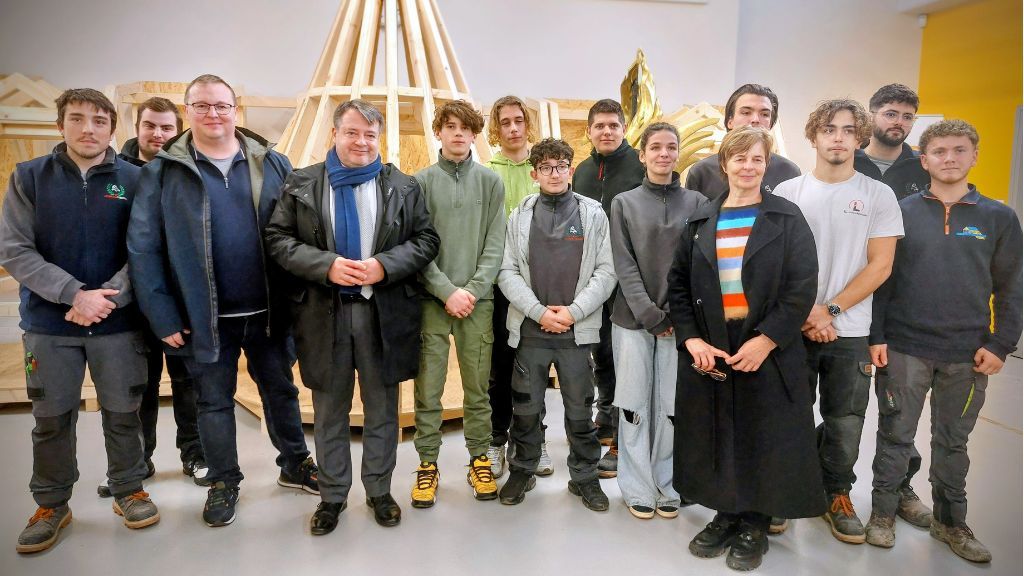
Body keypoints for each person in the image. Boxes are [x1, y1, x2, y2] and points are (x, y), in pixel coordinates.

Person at [128, 74, 316, 528]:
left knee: (282, 392)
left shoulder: (272, 163)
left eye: (221, 106)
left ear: (236, 111)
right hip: (202, 315)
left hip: (268, 310)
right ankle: (223, 481)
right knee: (212, 400)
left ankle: (295, 464)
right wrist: (162, 312)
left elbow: (297, 233)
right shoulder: (162, 172)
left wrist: (299, 302)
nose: (213, 114)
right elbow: (143, 247)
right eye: (202, 106)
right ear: (187, 111)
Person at [266, 99, 439, 534]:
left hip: (382, 314)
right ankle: (332, 496)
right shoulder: (302, 184)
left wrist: (386, 265)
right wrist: (324, 264)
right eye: (352, 132)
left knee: (382, 408)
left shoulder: (402, 185)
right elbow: (277, 238)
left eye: (370, 135)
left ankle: (380, 491)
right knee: (329, 411)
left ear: (378, 139)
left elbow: (426, 239)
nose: (361, 142)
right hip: (325, 316)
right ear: (335, 134)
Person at [2, 88, 160, 554]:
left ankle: (129, 489)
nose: (88, 128)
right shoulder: (29, 177)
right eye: (77, 119)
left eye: (98, 120)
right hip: (50, 327)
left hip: (117, 324)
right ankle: (52, 505)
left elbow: (146, 249)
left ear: (113, 128)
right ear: (60, 125)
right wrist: (74, 294)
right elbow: (14, 249)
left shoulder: (135, 180)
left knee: (124, 412)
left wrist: (105, 299)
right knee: (51, 418)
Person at [667, 126, 825, 571]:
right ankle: (725, 511)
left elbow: (801, 287)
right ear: (724, 164)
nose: (748, 167)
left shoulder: (787, 219)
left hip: (765, 343)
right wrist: (691, 338)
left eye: (757, 159)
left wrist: (768, 339)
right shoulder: (700, 222)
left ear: (766, 164)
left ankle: (755, 520)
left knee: (763, 432)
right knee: (718, 429)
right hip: (713, 343)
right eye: (739, 159)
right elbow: (677, 285)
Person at [866, 120, 1022, 562]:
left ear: (974, 156)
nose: (949, 158)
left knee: (953, 443)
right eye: (939, 151)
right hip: (904, 348)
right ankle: (882, 513)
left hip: (967, 355)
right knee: (895, 435)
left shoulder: (999, 217)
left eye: (959, 150)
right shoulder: (901, 211)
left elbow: (1011, 288)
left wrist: (1000, 344)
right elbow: (882, 279)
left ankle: (950, 522)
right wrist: (877, 336)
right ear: (924, 158)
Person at [774, 99, 904, 545]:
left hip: (849, 331)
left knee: (845, 420)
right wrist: (806, 314)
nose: (838, 138)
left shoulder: (877, 195)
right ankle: (786, 493)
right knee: (788, 413)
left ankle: (837, 495)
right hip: (793, 329)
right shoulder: (788, 194)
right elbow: (776, 266)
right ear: (813, 136)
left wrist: (828, 311)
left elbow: (880, 264)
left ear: (860, 138)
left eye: (849, 130)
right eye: (829, 129)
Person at [497, 138, 616, 511]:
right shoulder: (519, 215)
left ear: (570, 170)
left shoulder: (593, 214)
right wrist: (538, 312)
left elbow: (606, 270)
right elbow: (506, 270)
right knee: (526, 408)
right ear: (534, 174)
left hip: (575, 334)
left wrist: (572, 312)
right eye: (546, 167)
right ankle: (523, 469)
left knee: (581, 410)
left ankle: (584, 477)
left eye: (562, 165)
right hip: (530, 331)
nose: (555, 173)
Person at [109, 97, 208, 496]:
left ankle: (194, 454)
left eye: (167, 128)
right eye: (150, 125)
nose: (158, 134)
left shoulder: (185, 170)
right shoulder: (115, 174)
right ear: (137, 127)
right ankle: (139, 460)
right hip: (132, 301)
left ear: (178, 130)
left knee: (189, 384)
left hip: (180, 300)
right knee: (139, 386)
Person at [411, 100, 505, 507]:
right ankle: (427, 464)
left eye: (465, 128)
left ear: (474, 134)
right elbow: (416, 245)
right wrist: (446, 290)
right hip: (433, 302)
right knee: (428, 390)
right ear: (439, 132)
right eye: (449, 126)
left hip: (477, 303)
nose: (458, 134)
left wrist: (472, 289)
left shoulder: (490, 182)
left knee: (477, 389)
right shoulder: (420, 183)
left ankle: (479, 458)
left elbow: (495, 244)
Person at [609, 123, 704, 520]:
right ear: (643, 154)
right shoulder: (623, 203)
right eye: (656, 147)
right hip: (632, 320)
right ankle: (636, 486)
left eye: (671, 147)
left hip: (679, 323)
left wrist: (675, 317)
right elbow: (624, 264)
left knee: (670, 408)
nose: (664, 154)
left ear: (678, 153)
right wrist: (650, 313)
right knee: (633, 405)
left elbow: (697, 265)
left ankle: (666, 484)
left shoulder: (698, 203)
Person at [571, 99, 645, 478]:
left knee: (622, 356)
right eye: (599, 126)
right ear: (589, 130)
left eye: (613, 125)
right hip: (591, 280)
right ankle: (605, 415)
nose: (606, 131)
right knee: (599, 353)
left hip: (630, 280)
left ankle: (621, 433)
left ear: (623, 129)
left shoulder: (640, 168)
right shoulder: (581, 172)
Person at [483, 95, 550, 478]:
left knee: (534, 368)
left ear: (527, 125)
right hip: (497, 287)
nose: (512, 128)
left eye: (518, 121)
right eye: (505, 121)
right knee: (500, 370)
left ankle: (534, 442)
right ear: (497, 127)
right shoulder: (487, 171)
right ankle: (496, 441)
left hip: (538, 287)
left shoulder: (541, 168)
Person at [685, 83, 800, 199]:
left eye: (764, 114)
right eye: (746, 112)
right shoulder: (702, 172)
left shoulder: (789, 172)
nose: (755, 120)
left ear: (770, 124)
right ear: (730, 121)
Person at [854, 84, 931, 200]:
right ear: (871, 117)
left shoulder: (924, 166)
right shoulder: (849, 161)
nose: (899, 122)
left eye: (907, 117)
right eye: (891, 114)